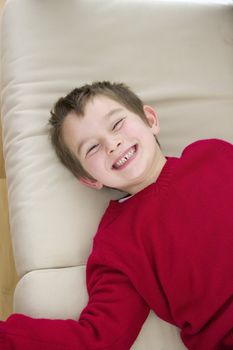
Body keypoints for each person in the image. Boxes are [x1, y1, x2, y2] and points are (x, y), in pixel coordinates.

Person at [0, 81, 233, 350]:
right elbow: (101, 339)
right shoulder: (117, 243)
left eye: (117, 124)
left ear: (150, 119)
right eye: (91, 148)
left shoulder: (213, 153)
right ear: (88, 179)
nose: (112, 144)